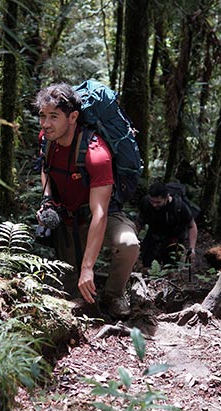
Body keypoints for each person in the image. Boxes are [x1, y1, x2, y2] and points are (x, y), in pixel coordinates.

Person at [34, 82, 140, 319]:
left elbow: (100, 214)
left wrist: (88, 267)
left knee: (128, 244)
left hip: (101, 215)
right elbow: (45, 167)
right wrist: (48, 200)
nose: (46, 124)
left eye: (53, 116)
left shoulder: (96, 153)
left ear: (73, 117)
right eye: (42, 116)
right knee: (71, 293)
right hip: (69, 220)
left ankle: (114, 295)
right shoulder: (48, 139)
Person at [137, 181, 198, 267]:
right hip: (153, 237)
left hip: (174, 240)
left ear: (166, 197)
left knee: (170, 268)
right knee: (147, 266)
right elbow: (140, 222)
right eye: (152, 201)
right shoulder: (146, 203)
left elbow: (192, 226)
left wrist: (192, 248)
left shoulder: (179, 207)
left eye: (158, 202)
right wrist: (134, 239)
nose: (154, 205)